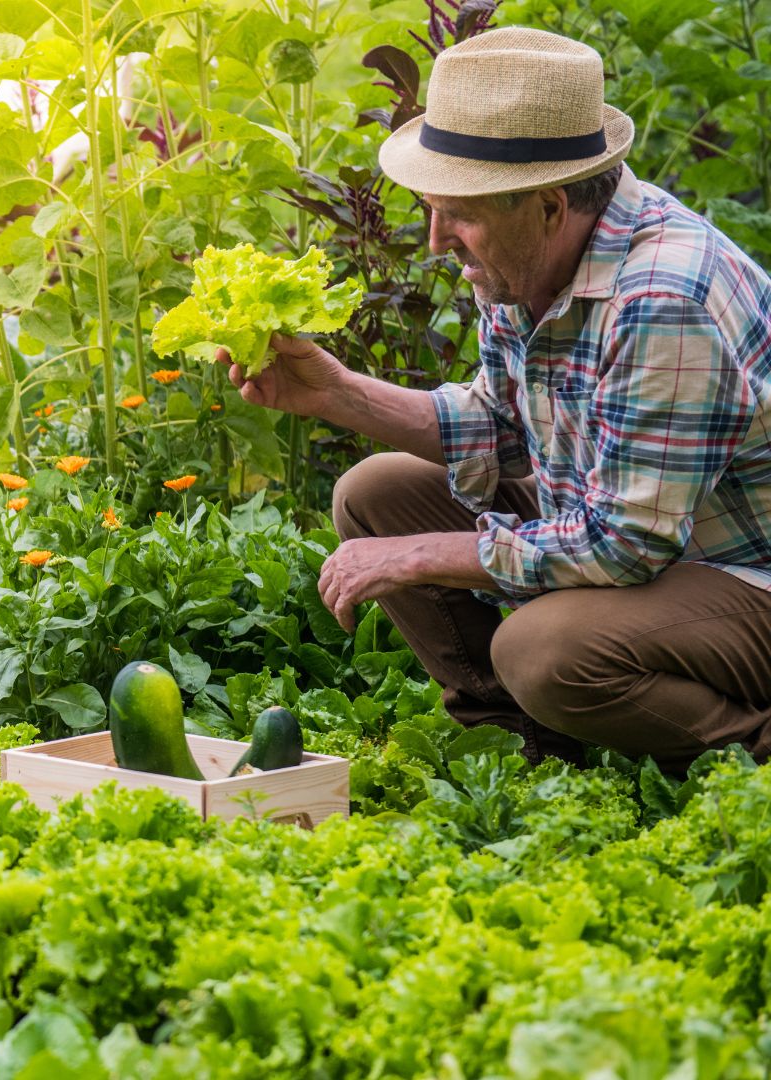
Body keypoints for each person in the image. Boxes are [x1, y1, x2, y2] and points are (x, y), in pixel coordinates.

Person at [226, 28, 771, 768]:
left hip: (742, 575)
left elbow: (625, 547)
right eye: (432, 208)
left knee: (545, 650)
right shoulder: (531, 259)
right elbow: (502, 429)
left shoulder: (663, 300)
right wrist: (334, 394)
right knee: (376, 493)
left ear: (549, 206)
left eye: (460, 215)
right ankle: (534, 752)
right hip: (656, 548)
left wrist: (422, 557)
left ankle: (749, 757)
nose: (436, 239)